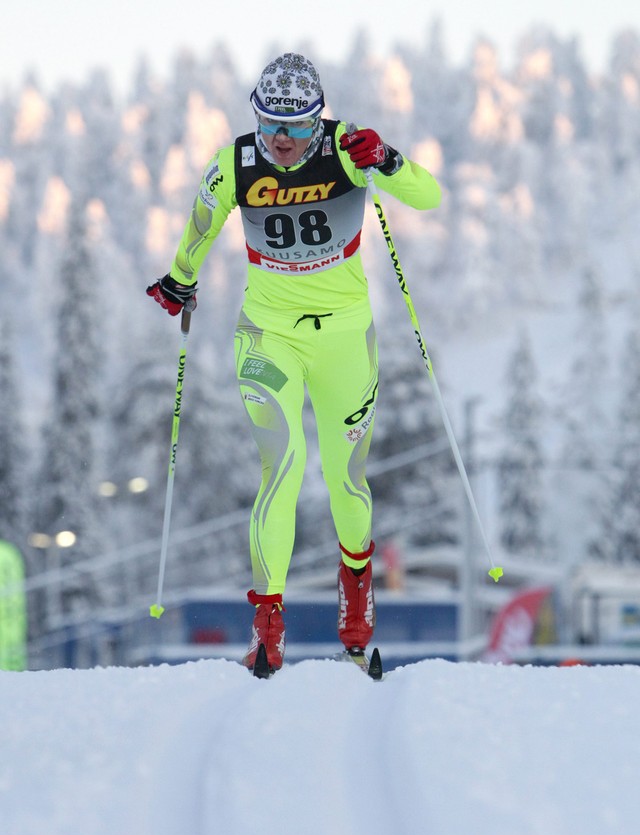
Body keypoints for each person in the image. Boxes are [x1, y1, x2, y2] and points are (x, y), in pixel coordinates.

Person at [147, 52, 441, 674]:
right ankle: (267, 628)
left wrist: (385, 160)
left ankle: (356, 610)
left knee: (346, 479)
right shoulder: (237, 162)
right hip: (268, 337)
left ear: (319, 121)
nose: (281, 141)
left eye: (298, 127)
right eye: (269, 125)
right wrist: (179, 279)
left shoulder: (346, 151)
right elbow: (201, 223)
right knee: (281, 466)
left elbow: (429, 195)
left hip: (344, 340)